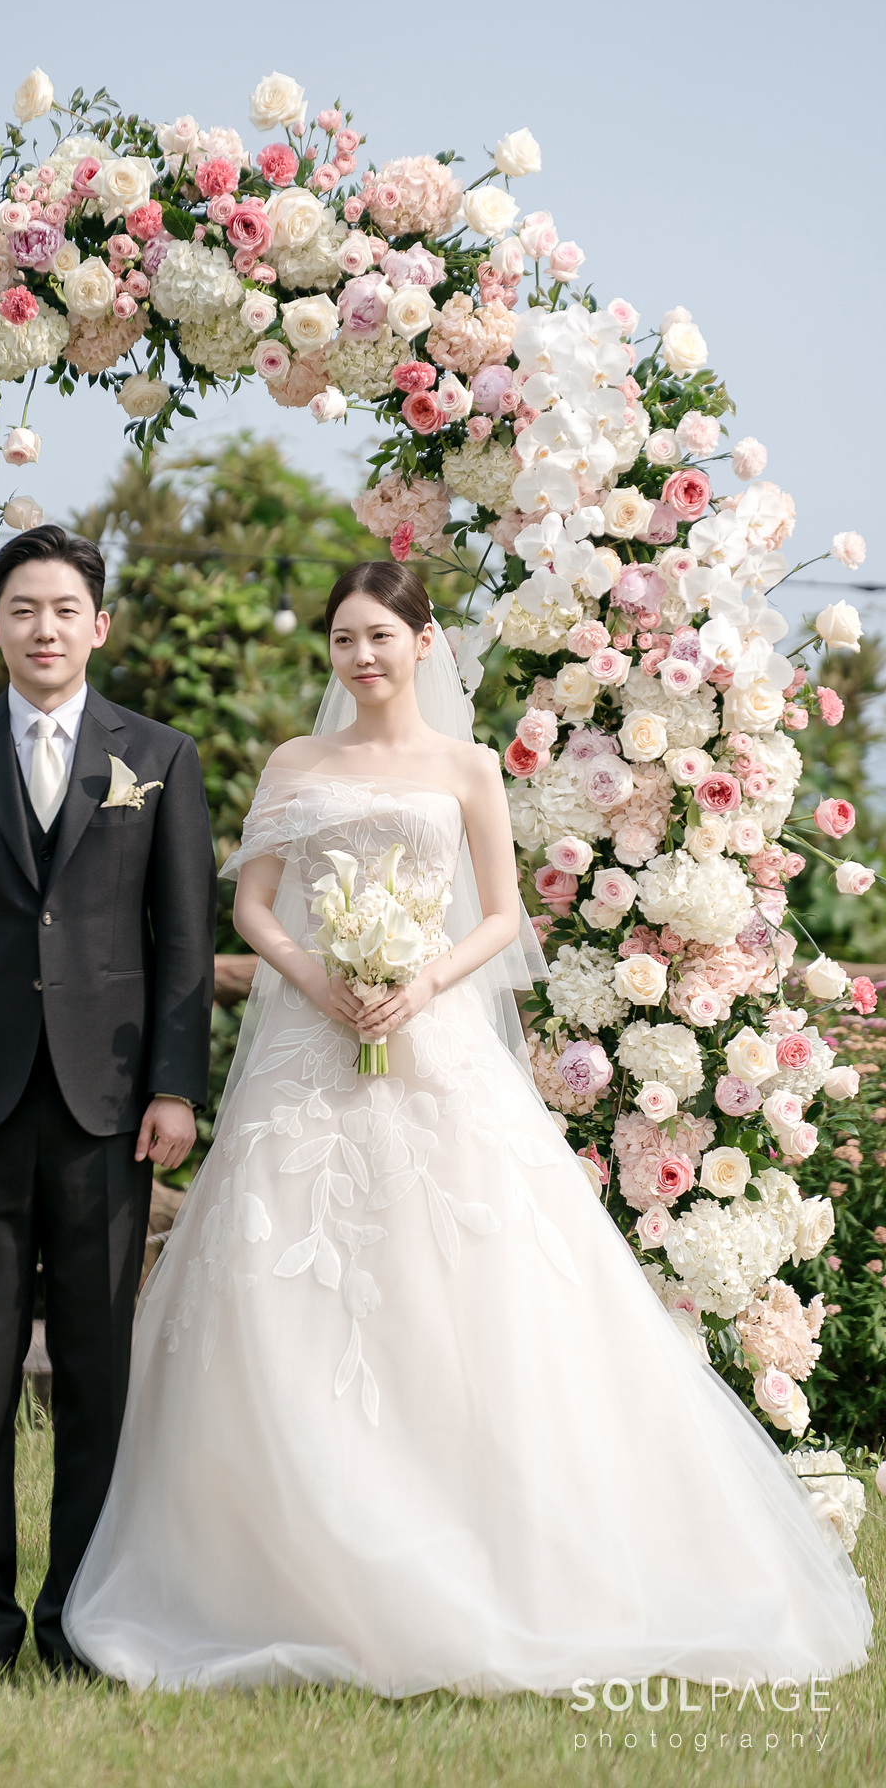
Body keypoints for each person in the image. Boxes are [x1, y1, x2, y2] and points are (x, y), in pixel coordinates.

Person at [61, 559, 872, 1696]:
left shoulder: (468, 766)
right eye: (343, 638)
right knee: (284, 1281)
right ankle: (284, 1563)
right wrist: (317, 974)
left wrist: (416, 979)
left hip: (431, 1038)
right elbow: (250, 899)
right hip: (309, 1043)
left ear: (423, 644)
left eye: (380, 636)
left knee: (472, 1290)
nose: (359, 657)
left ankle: (491, 1549)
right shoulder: (296, 764)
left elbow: (502, 914)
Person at [0, 524, 216, 1685]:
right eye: (22, 609)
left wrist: (177, 1084)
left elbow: (184, 942)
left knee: (95, 1375)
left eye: (64, 609)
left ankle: (82, 1621)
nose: (44, 629)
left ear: (99, 626)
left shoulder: (160, 756)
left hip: (109, 1106)